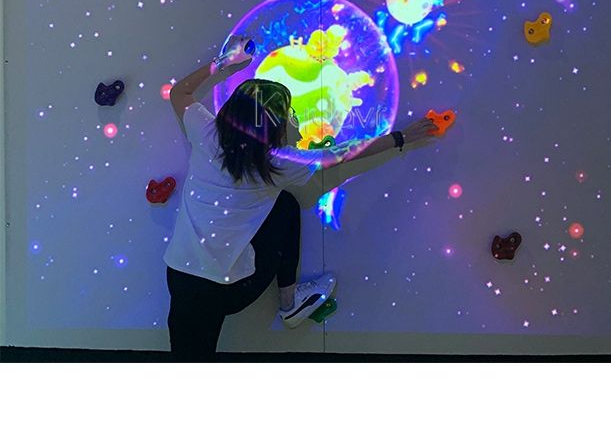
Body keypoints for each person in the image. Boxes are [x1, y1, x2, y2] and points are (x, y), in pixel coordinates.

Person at [164, 35, 438, 361]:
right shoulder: (280, 163)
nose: (293, 119)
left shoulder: (205, 131)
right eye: (288, 114)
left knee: (188, 357)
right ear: (274, 125)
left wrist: (224, 62)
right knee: (286, 205)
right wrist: (401, 137)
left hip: (180, 276)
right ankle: (290, 302)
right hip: (231, 289)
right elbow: (345, 153)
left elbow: (179, 92)